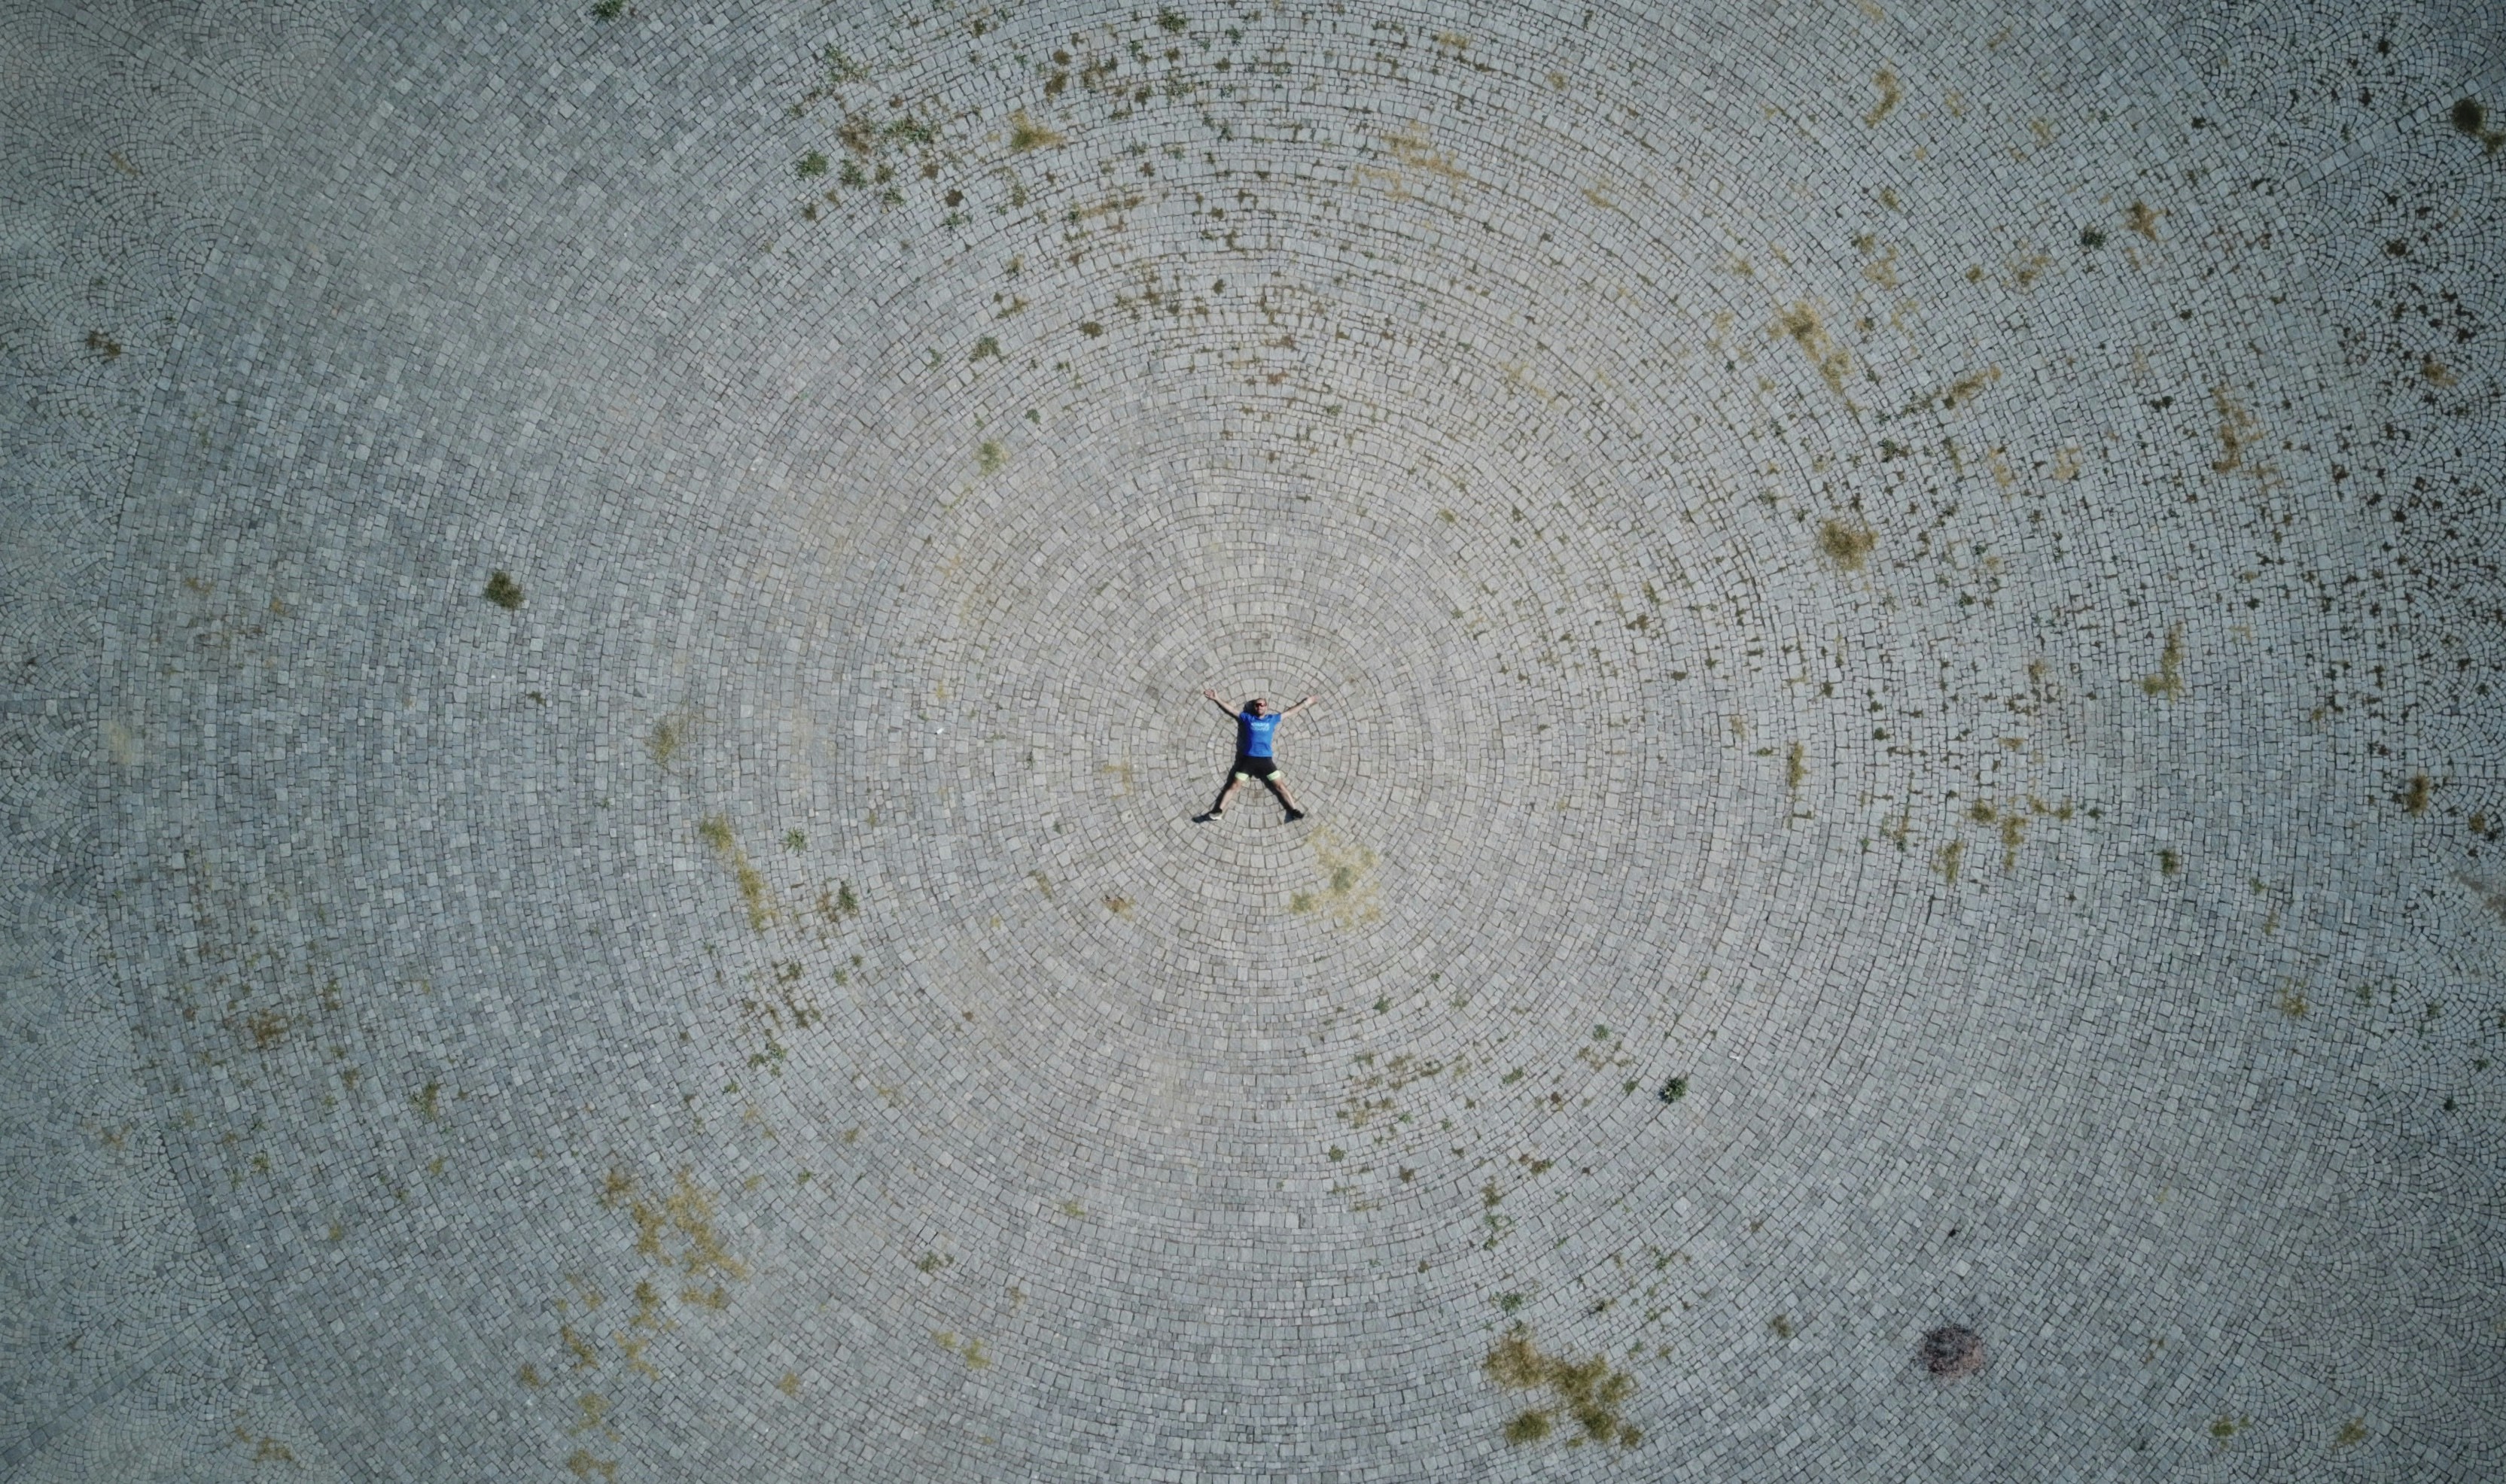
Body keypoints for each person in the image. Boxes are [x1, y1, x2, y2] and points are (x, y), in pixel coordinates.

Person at [1198, 689, 1317, 822]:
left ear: (1266, 707)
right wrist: (1217, 698)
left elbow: (1290, 712)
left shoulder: (1272, 719)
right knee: (1234, 786)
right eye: (1257, 705)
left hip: (1266, 761)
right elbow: (1232, 710)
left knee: (1280, 786)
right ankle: (1218, 811)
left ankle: (1294, 811)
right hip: (1248, 760)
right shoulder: (1248, 718)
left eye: (1262, 705)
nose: (1260, 707)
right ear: (1254, 708)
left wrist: (1306, 703)